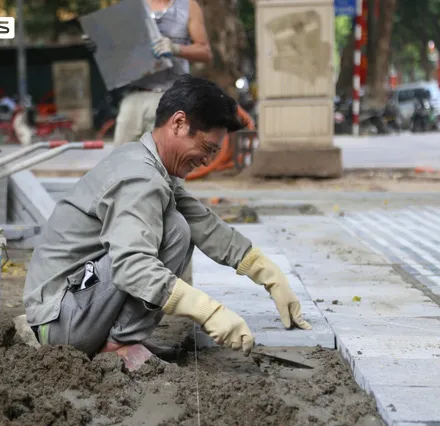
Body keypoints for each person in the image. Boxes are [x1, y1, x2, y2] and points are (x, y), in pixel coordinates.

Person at [22, 76, 311, 370]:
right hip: (60, 323)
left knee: (179, 223)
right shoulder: (140, 177)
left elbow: (204, 223)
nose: (208, 161)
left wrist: (268, 273)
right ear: (178, 123)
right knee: (173, 230)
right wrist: (208, 311)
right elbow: (131, 266)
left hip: (72, 309)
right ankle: (119, 343)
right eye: (208, 148)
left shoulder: (149, 164)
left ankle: (122, 338)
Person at [112, 0, 213, 147]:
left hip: (171, 96)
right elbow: (117, 48)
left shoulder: (188, 5)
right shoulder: (132, 6)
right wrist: (100, 43)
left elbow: (205, 52)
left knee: (164, 160)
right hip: (134, 96)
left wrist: (176, 49)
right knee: (121, 159)